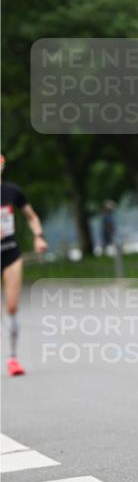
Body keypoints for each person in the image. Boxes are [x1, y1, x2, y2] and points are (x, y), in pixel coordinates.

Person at [1, 154, 48, 376]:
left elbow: (31, 216)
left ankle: (12, 358)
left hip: (10, 253)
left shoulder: (12, 192)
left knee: (11, 307)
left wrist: (38, 236)